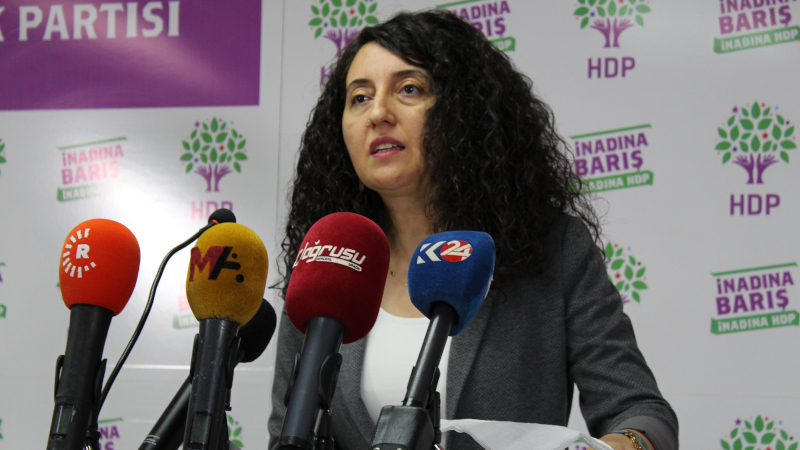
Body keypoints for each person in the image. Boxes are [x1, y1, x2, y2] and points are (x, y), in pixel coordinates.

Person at [268, 9, 678, 450]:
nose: (379, 113)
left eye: (409, 89)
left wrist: (626, 444)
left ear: (464, 111)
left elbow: (640, 412)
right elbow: (285, 434)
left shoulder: (554, 249)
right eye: (360, 97)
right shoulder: (326, 262)